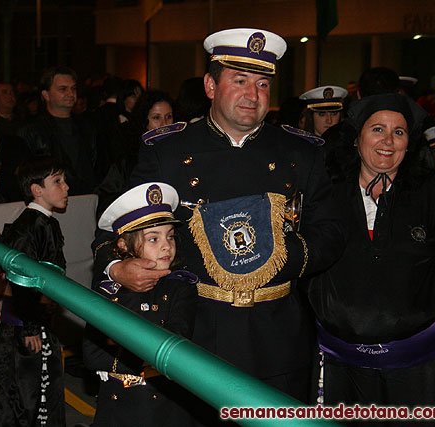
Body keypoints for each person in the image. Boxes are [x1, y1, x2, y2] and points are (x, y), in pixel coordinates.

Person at [93, 28, 345, 416]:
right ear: (211, 85)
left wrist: (274, 257)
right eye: (239, 81)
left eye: (263, 84)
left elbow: (330, 232)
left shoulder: (300, 152)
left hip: (277, 336)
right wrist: (118, 266)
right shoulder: (167, 151)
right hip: (195, 333)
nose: (253, 95)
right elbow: (114, 232)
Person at [306, 94, 435, 422]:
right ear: (358, 137)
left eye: (399, 132)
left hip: (421, 368)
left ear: (410, 141)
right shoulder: (326, 193)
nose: (388, 141)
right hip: (341, 368)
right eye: (378, 129)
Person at [83, 182, 197, 426]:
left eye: (170, 236)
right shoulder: (109, 290)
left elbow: (177, 343)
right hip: (118, 406)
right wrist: (145, 358)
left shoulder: (181, 287)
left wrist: (129, 354)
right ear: (123, 245)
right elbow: (93, 354)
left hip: (168, 407)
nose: (166, 245)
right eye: (153, 239)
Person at [0, 156, 68, 427]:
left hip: (39, 318)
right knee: (24, 393)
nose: (66, 188)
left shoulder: (46, 222)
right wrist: (29, 328)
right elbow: (20, 277)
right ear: (37, 189)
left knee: (29, 389)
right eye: (58, 182)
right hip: (26, 323)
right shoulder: (29, 225)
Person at [17, 66, 98, 195]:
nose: (71, 94)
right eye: (63, 89)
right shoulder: (31, 130)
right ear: (46, 95)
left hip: (87, 197)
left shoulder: (88, 126)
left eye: (73, 89)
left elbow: (95, 163)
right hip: (49, 199)